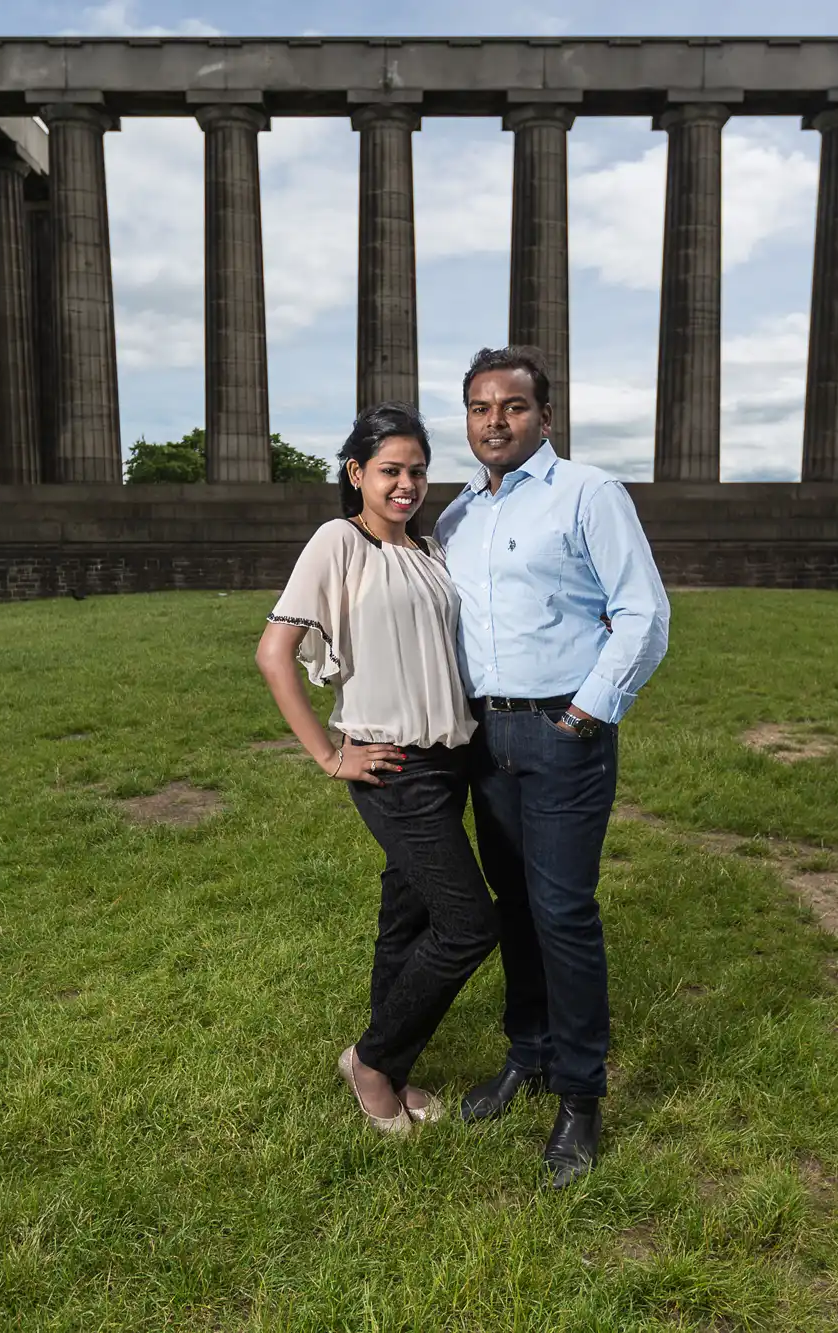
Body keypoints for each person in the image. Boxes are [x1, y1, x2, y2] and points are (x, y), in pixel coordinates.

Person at [436, 346, 671, 1187]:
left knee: (563, 909)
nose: (494, 421)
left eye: (512, 406)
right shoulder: (456, 515)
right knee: (514, 908)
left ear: (545, 416)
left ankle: (580, 1096)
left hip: (561, 734)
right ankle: (526, 1054)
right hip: (483, 740)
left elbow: (643, 610)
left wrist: (586, 709)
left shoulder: (589, 494)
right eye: (478, 407)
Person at [255, 403, 498, 1136]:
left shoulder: (426, 551)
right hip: (392, 765)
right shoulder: (340, 541)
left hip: (450, 759)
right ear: (357, 472)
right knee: (469, 923)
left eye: (418, 470)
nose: (407, 484)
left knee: (408, 917)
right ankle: (372, 1058)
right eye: (390, 470)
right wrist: (331, 755)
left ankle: (390, 1063)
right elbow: (274, 654)